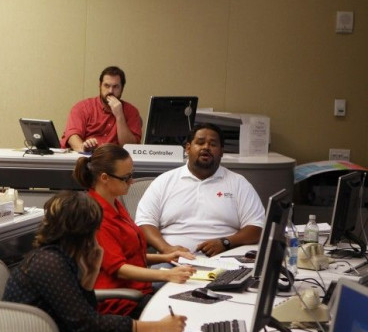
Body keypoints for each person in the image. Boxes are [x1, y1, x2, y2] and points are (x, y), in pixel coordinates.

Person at [3, 191, 187, 332]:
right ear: (85, 231)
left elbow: (84, 319)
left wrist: (91, 273)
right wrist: (155, 328)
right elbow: (89, 327)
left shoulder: (58, 257)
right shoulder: (49, 263)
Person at [73, 144, 196, 318]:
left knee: (194, 297)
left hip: (138, 290)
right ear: (104, 178)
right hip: (120, 302)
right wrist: (168, 275)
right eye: (126, 177)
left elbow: (130, 255)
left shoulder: (115, 204)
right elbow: (119, 268)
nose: (132, 181)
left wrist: (165, 257)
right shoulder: (95, 216)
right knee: (188, 311)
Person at [136, 123, 265, 257]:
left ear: (221, 151)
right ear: (188, 148)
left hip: (226, 260)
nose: (206, 147)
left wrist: (226, 242)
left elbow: (257, 227)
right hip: (172, 261)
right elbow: (144, 223)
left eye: (213, 144)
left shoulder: (238, 183)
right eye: (200, 142)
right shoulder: (164, 181)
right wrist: (166, 249)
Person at [61, 66, 142, 152]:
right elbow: (72, 136)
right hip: (87, 157)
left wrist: (119, 116)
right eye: (106, 86)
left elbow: (130, 147)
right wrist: (83, 148)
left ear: (122, 88)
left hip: (116, 161)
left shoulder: (131, 111)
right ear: (100, 85)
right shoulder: (82, 107)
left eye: (116, 87)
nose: (110, 91)